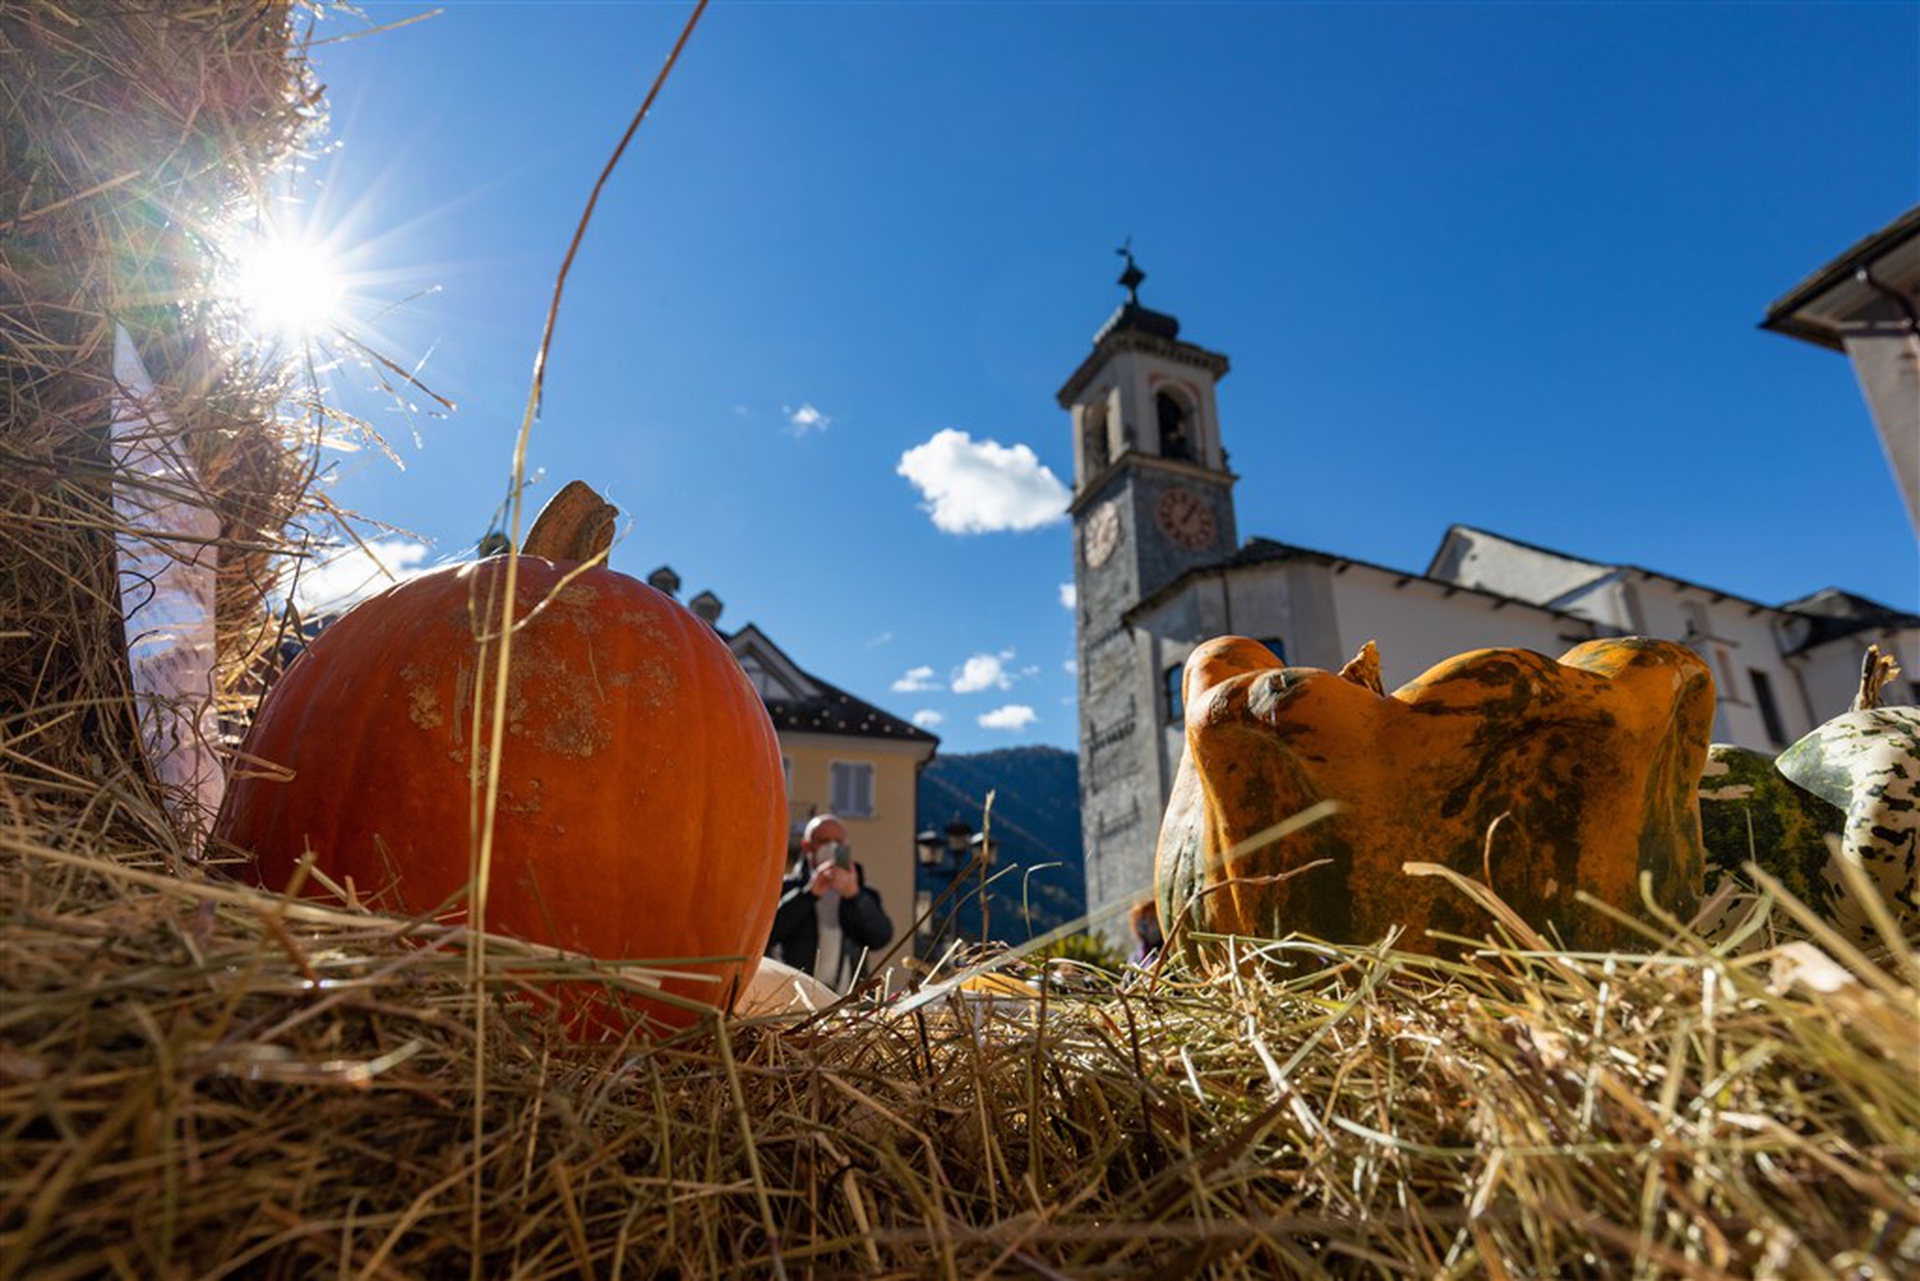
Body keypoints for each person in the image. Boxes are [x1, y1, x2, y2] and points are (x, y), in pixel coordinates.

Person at [765, 814, 893, 991]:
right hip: (796, 995)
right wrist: (808, 894)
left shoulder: (863, 892)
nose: (832, 847)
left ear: (846, 847)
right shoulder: (786, 887)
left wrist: (854, 895)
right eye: (824, 841)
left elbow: (880, 937)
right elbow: (768, 933)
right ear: (807, 846)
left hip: (847, 998)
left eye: (838, 842)